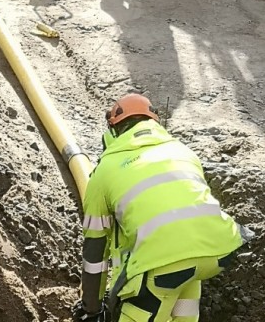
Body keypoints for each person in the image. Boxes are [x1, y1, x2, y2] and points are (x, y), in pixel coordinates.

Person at [71, 93, 247, 321]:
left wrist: (91, 309)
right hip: (214, 254)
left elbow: (95, 251)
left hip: (162, 266)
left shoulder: (105, 171)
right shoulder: (184, 152)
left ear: (112, 132)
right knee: (183, 309)